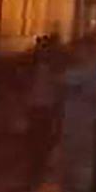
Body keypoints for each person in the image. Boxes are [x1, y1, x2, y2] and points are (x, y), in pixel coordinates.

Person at [59, 37, 96, 192]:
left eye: (80, 49)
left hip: (81, 119)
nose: (77, 53)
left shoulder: (88, 69)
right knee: (74, 158)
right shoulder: (93, 67)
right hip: (79, 118)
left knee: (78, 158)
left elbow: (64, 80)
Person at [27, 36, 62, 171]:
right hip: (37, 105)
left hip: (45, 106)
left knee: (43, 135)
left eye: (43, 48)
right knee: (36, 135)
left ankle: (40, 162)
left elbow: (57, 87)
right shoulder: (35, 65)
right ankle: (37, 162)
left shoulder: (53, 67)